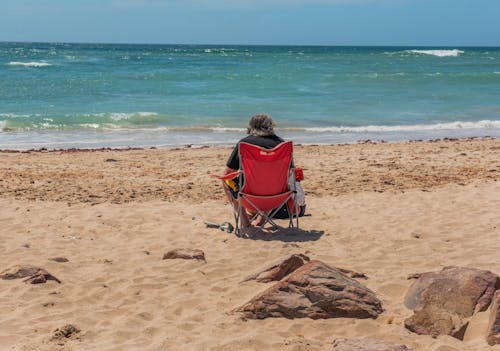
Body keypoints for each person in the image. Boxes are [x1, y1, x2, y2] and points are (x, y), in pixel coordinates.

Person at [223, 114, 304, 227]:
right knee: (271, 181)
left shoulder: (244, 144)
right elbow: (290, 172)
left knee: (226, 180)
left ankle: (244, 219)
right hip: (277, 198)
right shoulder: (281, 144)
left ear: (251, 127)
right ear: (270, 126)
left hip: (248, 197)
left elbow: (228, 174)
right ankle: (261, 219)